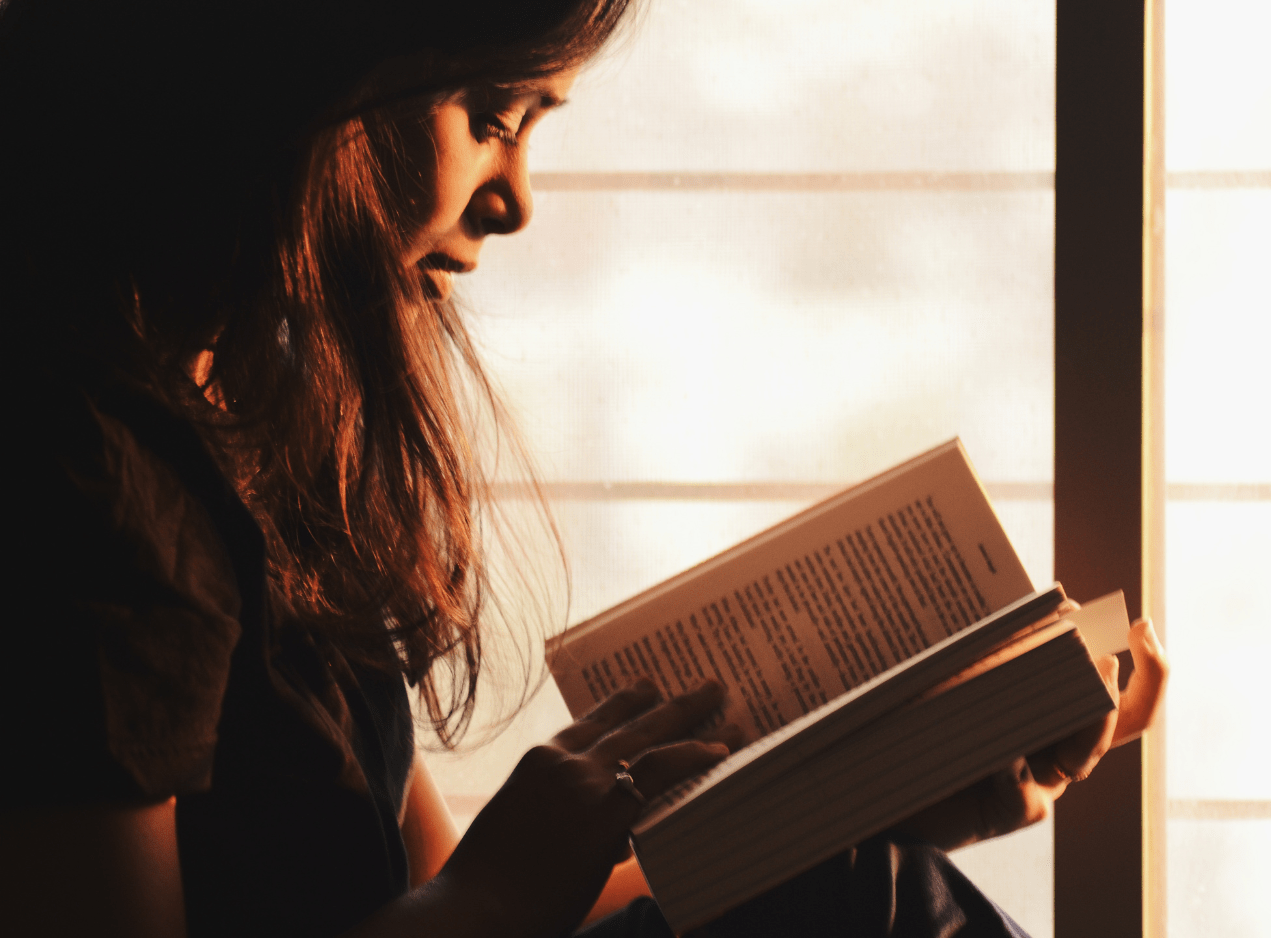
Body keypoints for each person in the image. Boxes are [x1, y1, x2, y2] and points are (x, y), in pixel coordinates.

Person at [0, 1, 1167, 936]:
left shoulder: (249, 421)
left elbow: (430, 894)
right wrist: (496, 892)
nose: (514, 201)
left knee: (862, 884)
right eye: (494, 110)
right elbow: (470, 905)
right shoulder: (87, 483)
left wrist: (858, 803)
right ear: (314, 64)